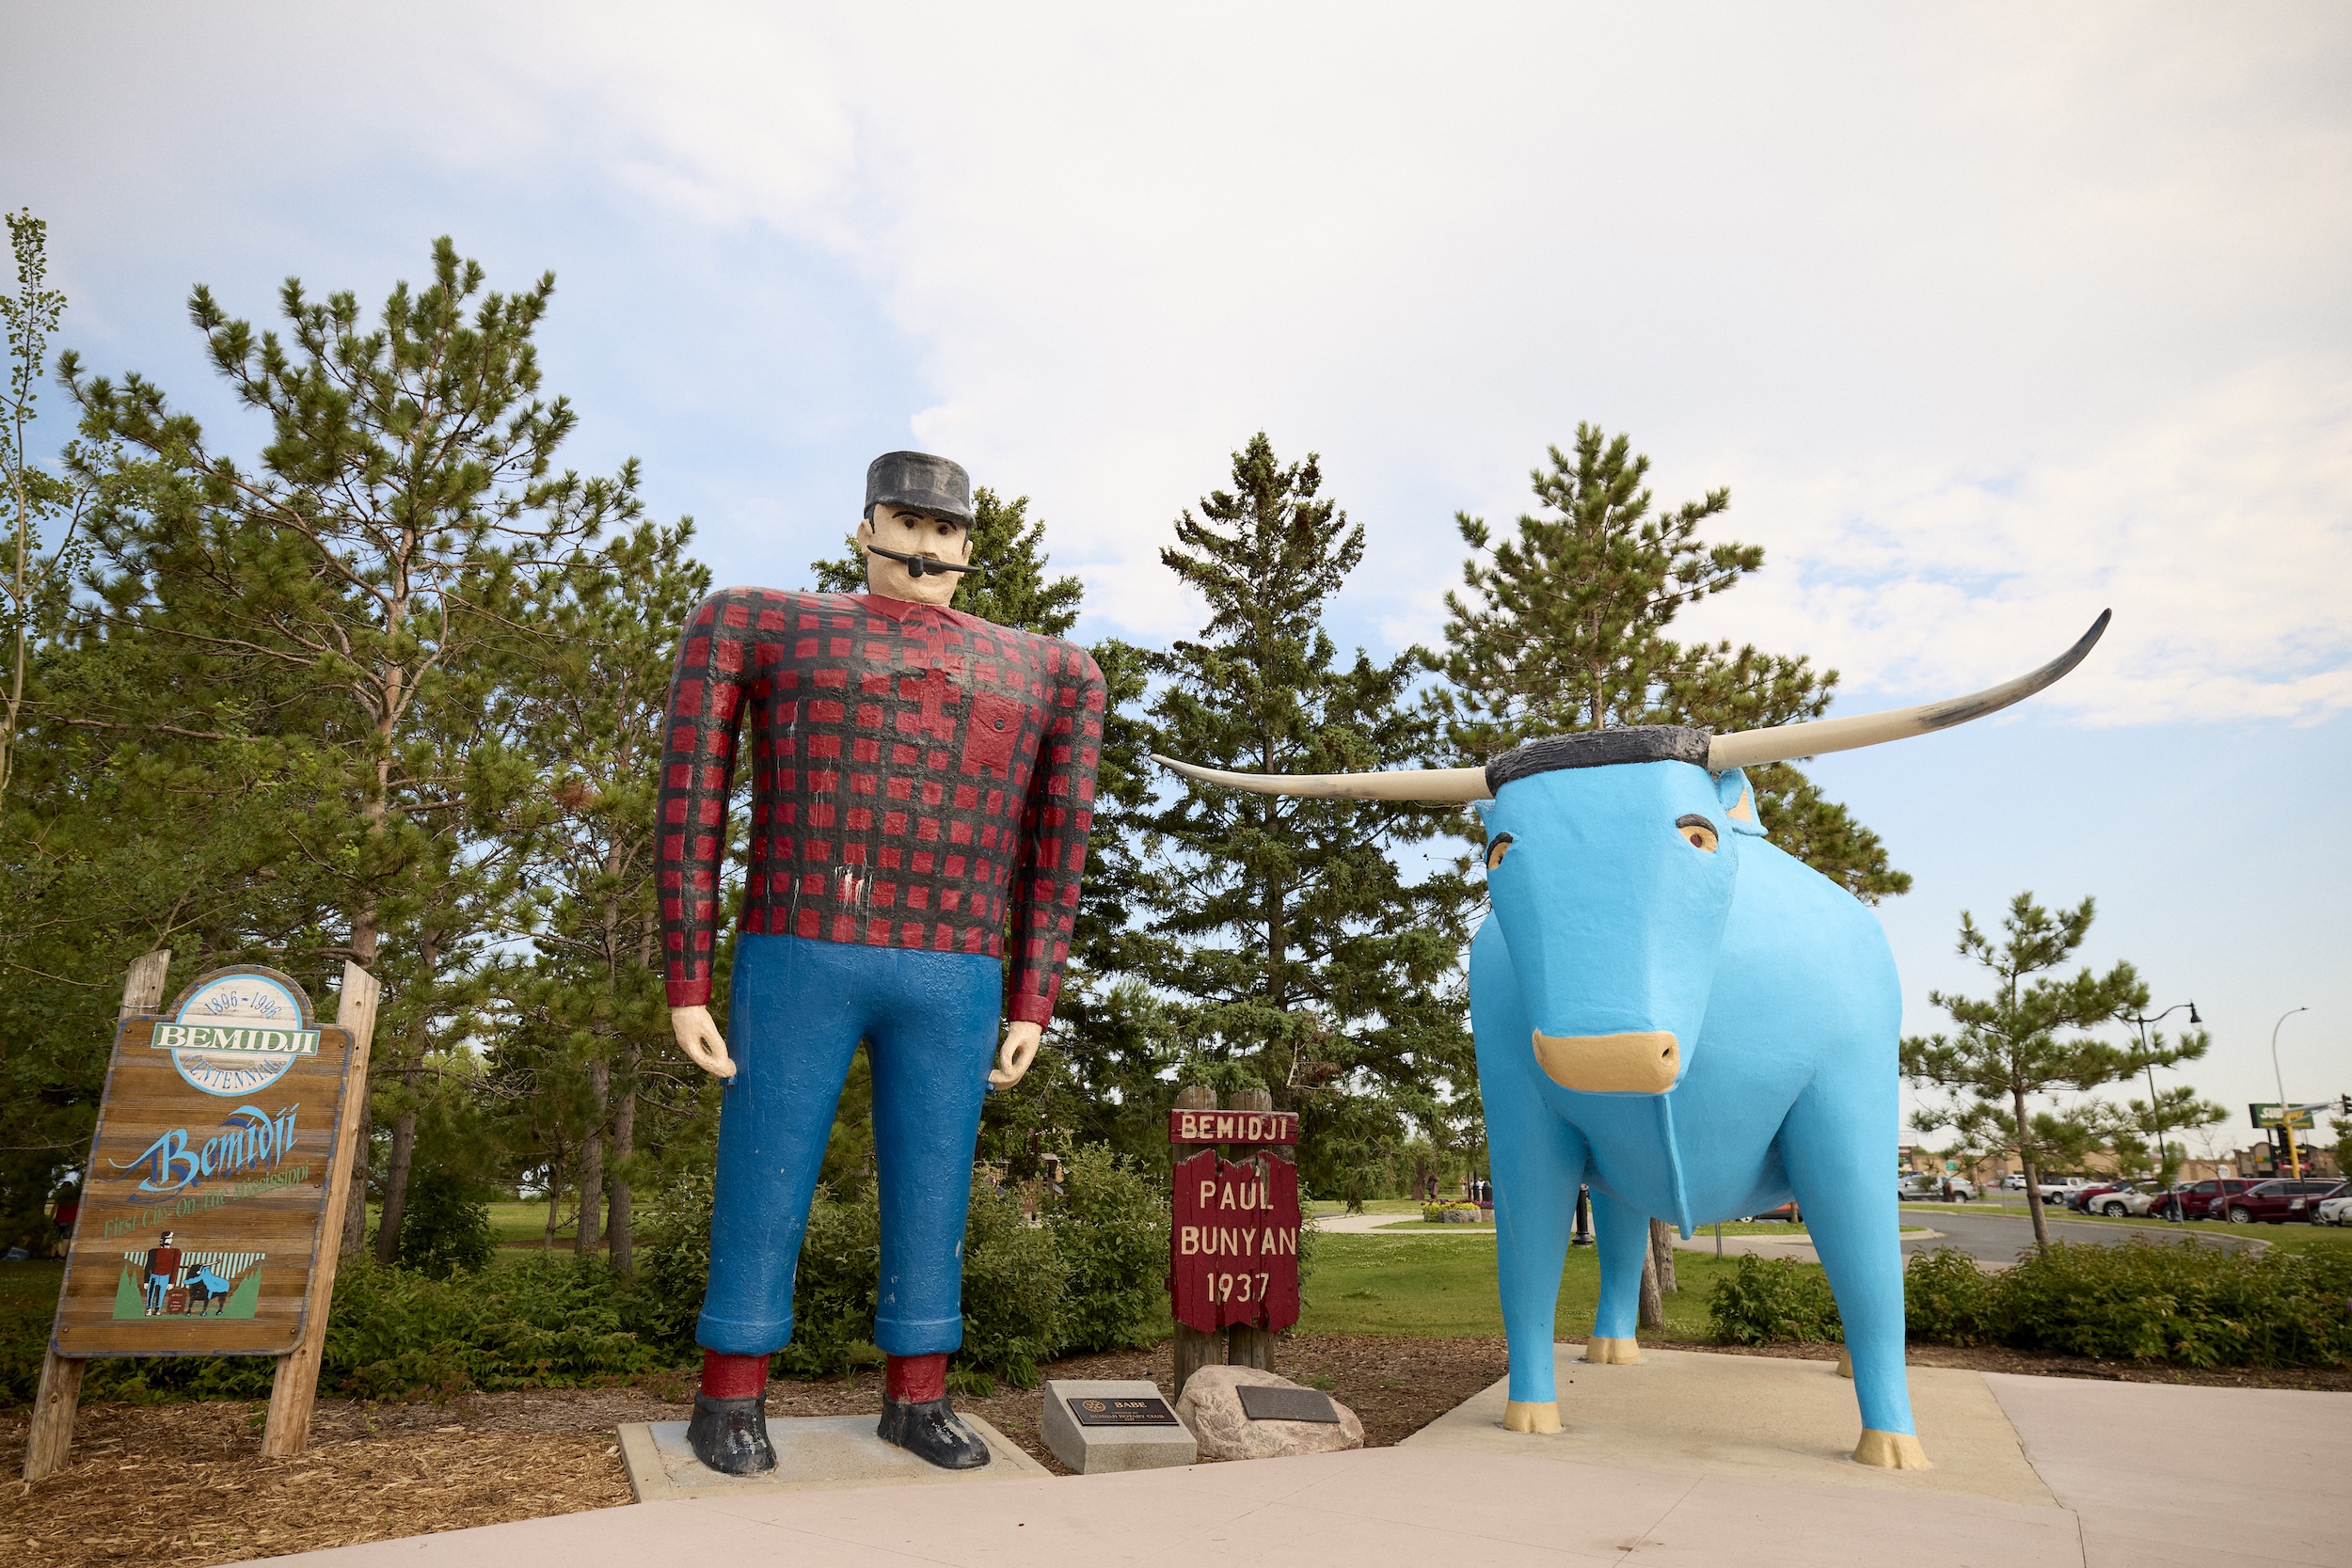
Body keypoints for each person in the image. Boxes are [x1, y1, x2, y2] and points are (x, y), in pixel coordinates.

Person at [660, 451, 1105, 1476]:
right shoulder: (757, 622)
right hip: (800, 937)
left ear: (968, 541)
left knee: (935, 1180)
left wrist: (1035, 992)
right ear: (866, 524)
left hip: (954, 965)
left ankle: (919, 1392)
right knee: (765, 1167)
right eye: (909, 519)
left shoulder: (1051, 670)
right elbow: (688, 804)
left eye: (946, 527)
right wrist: (686, 978)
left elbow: (1059, 843)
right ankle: (728, 1390)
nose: (927, 543)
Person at [141, 1231, 181, 1315]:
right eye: (168, 1238)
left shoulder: (175, 1252)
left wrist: (172, 1282)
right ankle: (149, 1309)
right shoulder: (153, 1251)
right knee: (150, 1293)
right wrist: (146, 1280)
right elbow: (148, 1266)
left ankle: (158, 1309)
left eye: (171, 1238)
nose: (170, 1240)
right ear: (161, 1240)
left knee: (161, 1294)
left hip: (165, 1277)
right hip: (154, 1276)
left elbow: (175, 1268)